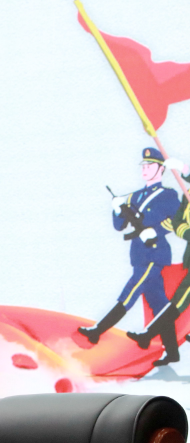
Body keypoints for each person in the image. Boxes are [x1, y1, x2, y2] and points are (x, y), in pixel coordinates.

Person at [79, 149, 179, 351]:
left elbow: (178, 220)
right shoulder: (135, 196)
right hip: (138, 254)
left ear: (161, 169)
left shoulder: (168, 195)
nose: (145, 169)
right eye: (143, 166)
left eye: (150, 166)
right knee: (158, 302)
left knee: (131, 291)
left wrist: (155, 231)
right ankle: (172, 351)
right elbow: (119, 226)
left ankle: (98, 331)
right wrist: (117, 209)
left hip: (155, 252)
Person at [129, 157, 190, 366]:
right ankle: (154, 339)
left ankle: (148, 334)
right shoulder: (187, 195)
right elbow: (178, 222)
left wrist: (184, 169)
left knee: (179, 301)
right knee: (179, 301)